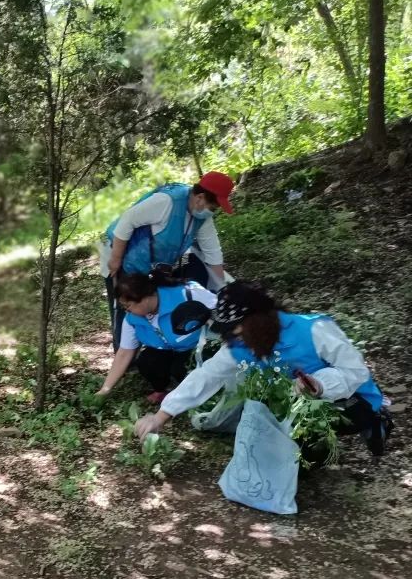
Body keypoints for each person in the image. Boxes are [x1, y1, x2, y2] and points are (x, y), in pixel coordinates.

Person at [134, 280, 393, 459]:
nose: (234, 338)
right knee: (282, 453)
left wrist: (320, 384)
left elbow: (355, 373)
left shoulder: (313, 330)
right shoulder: (241, 343)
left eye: (237, 330)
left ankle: (373, 421)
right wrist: (161, 416)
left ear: (259, 321)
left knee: (321, 440)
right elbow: (206, 376)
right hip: (293, 403)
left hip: (346, 399)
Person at [102, 171, 235, 349]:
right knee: (126, 306)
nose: (213, 212)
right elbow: (127, 221)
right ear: (200, 197)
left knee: (147, 303)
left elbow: (213, 253)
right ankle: (124, 354)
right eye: (213, 207)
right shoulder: (166, 202)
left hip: (150, 264)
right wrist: (115, 259)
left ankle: (154, 344)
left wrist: (221, 289)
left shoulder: (201, 218)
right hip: (121, 254)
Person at [96, 271, 217, 404]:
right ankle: (162, 389)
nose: (127, 312)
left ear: (145, 298)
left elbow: (220, 311)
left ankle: (205, 392)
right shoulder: (132, 319)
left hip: (198, 346)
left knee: (181, 370)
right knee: (146, 361)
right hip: (169, 349)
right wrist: (105, 389)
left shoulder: (187, 293)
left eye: (128, 306)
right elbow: (124, 353)